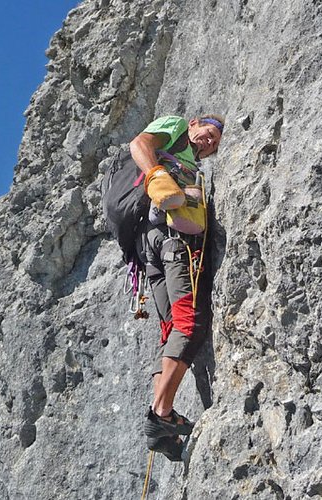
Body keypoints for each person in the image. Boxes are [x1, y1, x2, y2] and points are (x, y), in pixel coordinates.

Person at [129, 114, 224, 461]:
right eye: (207, 133)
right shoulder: (176, 127)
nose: (207, 142)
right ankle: (161, 414)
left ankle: (164, 435)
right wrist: (156, 176)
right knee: (189, 324)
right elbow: (139, 144)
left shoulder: (187, 161)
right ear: (195, 123)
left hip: (151, 248)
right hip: (171, 242)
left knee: (171, 329)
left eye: (214, 142)